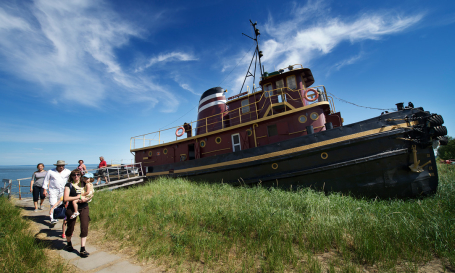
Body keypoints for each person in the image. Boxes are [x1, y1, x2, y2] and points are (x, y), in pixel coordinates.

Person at [64, 169, 92, 257]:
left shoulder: (84, 183)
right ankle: (69, 242)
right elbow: (66, 198)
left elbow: (90, 193)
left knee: (84, 226)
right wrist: (78, 197)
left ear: (81, 175)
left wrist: (86, 199)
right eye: (74, 175)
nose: (76, 176)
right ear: (71, 176)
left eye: (78, 174)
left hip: (84, 207)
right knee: (70, 226)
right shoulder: (69, 185)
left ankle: (82, 249)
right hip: (72, 208)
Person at [42, 160, 71, 226]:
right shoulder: (50, 171)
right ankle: (53, 219)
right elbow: (45, 181)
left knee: (60, 203)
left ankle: (58, 215)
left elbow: (71, 179)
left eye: (62, 165)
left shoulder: (68, 172)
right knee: (53, 203)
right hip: (53, 190)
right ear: (56, 166)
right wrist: (45, 190)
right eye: (59, 166)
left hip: (63, 190)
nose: (61, 167)